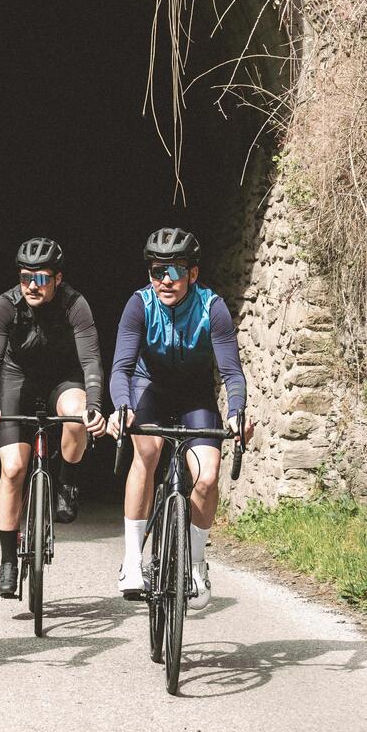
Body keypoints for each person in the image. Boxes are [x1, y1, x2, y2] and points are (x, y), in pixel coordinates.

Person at [107, 227, 253, 608]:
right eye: (158, 271)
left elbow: (232, 373)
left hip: (194, 396)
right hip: (148, 389)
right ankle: (133, 559)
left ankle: (197, 564)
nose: (165, 280)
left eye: (175, 271)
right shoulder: (139, 304)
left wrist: (236, 414)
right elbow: (121, 368)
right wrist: (122, 407)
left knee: (206, 477)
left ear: (193, 273)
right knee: (148, 452)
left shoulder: (212, 307)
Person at [0, 238, 107, 597]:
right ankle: (7, 561)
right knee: (14, 469)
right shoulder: (6, 305)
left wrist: (94, 404)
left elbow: (91, 360)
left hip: (64, 379)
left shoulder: (75, 305)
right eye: (26, 277)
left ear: (58, 279)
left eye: (42, 278)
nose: (33, 285)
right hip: (18, 380)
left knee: (77, 416)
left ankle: (66, 481)